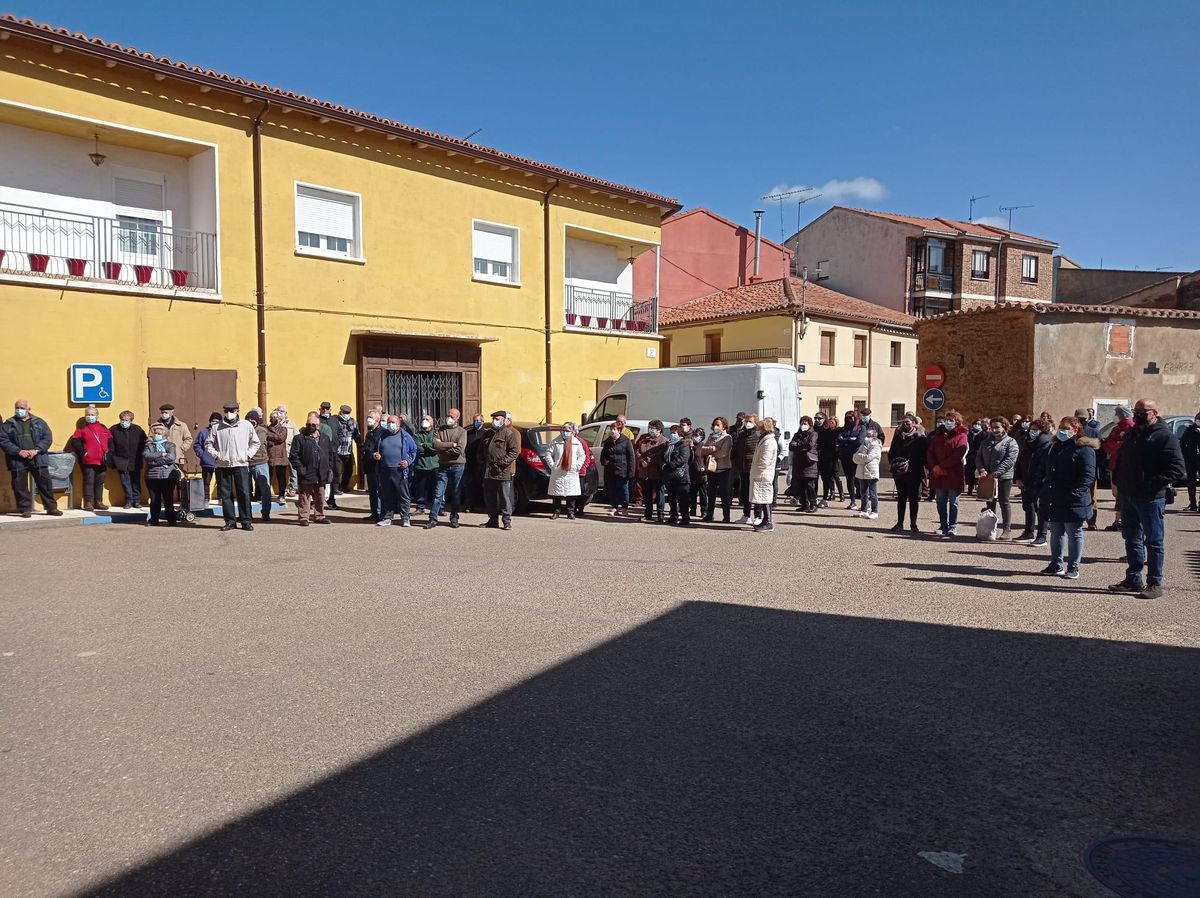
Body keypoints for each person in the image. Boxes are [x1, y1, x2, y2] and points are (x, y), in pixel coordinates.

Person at [1109, 399, 1186, 600]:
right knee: (1131, 537)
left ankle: (1154, 582)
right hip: (1129, 495)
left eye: (1143, 411)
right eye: (1136, 411)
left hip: (1151, 498)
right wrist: (1119, 480)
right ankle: (1134, 578)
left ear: (1154, 412)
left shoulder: (1164, 436)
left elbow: (1177, 469)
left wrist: (1151, 484)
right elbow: (1123, 459)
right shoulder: (1133, 434)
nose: (1138, 414)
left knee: (1153, 541)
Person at [1040, 417, 1098, 580]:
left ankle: (1073, 566)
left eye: (1066, 428)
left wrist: (1074, 495)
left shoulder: (1084, 450)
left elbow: (1087, 476)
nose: (1062, 431)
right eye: (1060, 427)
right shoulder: (1055, 447)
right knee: (1056, 531)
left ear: (1076, 430)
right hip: (1055, 497)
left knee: (1074, 532)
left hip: (1074, 499)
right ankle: (1056, 563)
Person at [205, 401, 261, 532]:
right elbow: (208, 444)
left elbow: (255, 443)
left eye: (233, 410)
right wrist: (217, 455)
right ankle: (230, 521)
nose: (230, 413)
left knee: (244, 493)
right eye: (227, 410)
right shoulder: (217, 427)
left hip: (241, 464)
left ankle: (246, 521)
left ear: (237, 411)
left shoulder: (246, 425)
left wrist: (247, 455)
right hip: (223, 465)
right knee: (226, 494)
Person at [0, 399, 62, 517]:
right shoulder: (8, 423)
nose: (19, 410)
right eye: (17, 408)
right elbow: (3, 440)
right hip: (17, 459)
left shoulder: (39, 422)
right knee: (19, 485)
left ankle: (51, 508)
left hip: (37, 458)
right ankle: (25, 509)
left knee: (45, 484)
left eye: (22, 408)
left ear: (28, 409)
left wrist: (36, 450)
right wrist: (18, 451)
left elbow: (47, 438)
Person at [975, 416, 1020, 540]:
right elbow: (979, 457)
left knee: (1004, 502)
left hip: (1004, 477)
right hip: (988, 477)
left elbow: (1010, 460)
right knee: (990, 502)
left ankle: (1007, 529)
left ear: (1004, 427)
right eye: (993, 427)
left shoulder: (1011, 442)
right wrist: (982, 470)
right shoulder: (986, 441)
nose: (994, 430)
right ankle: (988, 528)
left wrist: (997, 472)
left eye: (997, 427)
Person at [927, 410, 968, 538]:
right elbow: (930, 452)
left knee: (953, 501)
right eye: (947, 420)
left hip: (953, 473)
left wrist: (942, 466)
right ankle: (943, 525)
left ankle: (952, 526)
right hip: (939, 474)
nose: (948, 422)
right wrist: (935, 467)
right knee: (940, 501)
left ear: (957, 422)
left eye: (951, 420)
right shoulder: (938, 435)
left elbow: (958, 454)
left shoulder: (961, 436)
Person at [290, 412, 334, 526]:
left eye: (313, 425)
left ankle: (319, 515)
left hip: (321, 472)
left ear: (318, 426)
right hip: (306, 471)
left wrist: (329, 468)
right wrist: (300, 469)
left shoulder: (324, 438)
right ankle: (304, 517)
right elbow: (293, 456)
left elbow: (330, 454)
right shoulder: (299, 438)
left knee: (320, 495)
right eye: (308, 424)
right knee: (304, 496)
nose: (310, 427)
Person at [1013, 418, 1053, 544]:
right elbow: (1020, 461)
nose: (1032, 432)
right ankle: (1028, 532)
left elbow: (1044, 465)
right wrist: (1018, 477)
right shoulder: (1027, 442)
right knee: (1028, 507)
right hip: (1026, 480)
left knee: (1041, 509)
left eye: (1036, 429)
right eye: (1032, 429)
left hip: (1040, 481)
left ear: (1043, 431)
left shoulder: (1047, 444)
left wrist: (1042, 481)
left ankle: (1042, 536)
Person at [428, 408, 468, 529]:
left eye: (452, 416)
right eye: (448, 415)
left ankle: (454, 517)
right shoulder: (440, 430)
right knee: (438, 493)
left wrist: (443, 448)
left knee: (456, 493)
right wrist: (451, 444)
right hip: (443, 465)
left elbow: (459, 450)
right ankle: (432, 518)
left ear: (457, 418)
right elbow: (435, 445)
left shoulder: (462, 432)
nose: (449, 418)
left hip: (458, 465)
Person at [376, 414, 418, 527]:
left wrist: (408, 462)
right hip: (385, 469)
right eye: (389, 422)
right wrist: (376, 455)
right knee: (387, 494)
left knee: (403, 495)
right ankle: (388, 517)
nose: (390, 425)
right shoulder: (382, 435)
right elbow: (377, 449)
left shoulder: (405, 436)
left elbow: (414, 450)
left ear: (399, 424)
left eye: (393, 422)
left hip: (400, 470)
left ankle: (405, 518)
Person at [888, 413, 927, 532]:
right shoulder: (899, 436)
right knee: (901, 499)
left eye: (908, 423)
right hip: (900, 473)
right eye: (903, 422)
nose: (905, 425)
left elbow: (924, 455)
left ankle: (913, 524)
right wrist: (895, 463)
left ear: (913, 424)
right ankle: (900, 523)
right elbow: (891, 453)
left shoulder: (920, 438)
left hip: (914, 472)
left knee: (913, 499)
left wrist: (916, 464)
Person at [69, 405, 113, 511]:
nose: (90, 416)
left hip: (102, 460)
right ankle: (88, 503)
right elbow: (75, 441)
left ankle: (98, 502)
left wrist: (109, 453)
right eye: (88, 415)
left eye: (92, 414)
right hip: (88, 460)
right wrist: (83, 452)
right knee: (89, 481)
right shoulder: (81, 429)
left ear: (97, 416)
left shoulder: (103, 427)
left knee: (100, 481)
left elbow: (110, 440)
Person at [482, 410, 519, 530]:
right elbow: (481, 450)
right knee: (490, 497)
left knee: (504, 497)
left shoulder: (508, 434)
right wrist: (482, 462)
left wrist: (501, 463)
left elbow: (514, 452)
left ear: (503, 420)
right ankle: (493, 520)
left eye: (497, 419)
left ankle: (506, 521)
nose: (495, 421)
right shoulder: (488, 434)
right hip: (489, 471)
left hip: (502, 471)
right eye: (493, 419)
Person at [1100, 406, 1134, 531]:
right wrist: (1115, 445)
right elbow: (1106, 444)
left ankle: (1121, 520)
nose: (1114, 415)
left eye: (1116, 413)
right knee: (1116, 493)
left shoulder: (1131, 427)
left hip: (1124, 467)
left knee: (1122, 495)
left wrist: (1116, 445)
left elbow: (1124, 446)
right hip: (1114, 465)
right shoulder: (1117, 428)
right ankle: (1119, 519)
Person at [545, 421, 586, 520]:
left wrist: (577, 466)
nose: (565, 432)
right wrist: (552, 465)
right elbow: (548, 454)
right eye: (563, 430)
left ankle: (570, 512)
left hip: (571, 471)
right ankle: (556, 512)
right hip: (558, 471)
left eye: (567, 430)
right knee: (556, 493)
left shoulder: (577, 443)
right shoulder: (555, 442)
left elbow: (582, 455)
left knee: (571, 494)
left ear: (572, 431)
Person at [142, 422, 179, 526]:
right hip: (152, 476)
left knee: (168, 498)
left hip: (167, 476)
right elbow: (146, 456)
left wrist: (154, 462)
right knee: (154, 500)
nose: (156, 435)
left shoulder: (170, 445)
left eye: (158, 433)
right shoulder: (149, 445)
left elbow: (171, 458)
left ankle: (171, 519)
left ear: (164, 434)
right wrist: (162, 454)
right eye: (155, 433)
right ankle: (153, 519)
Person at [109, 410, 147, 509]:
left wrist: (142, 456)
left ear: (131, 420)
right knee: (125, 482)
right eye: (122, 419)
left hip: (135, 460)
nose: (124, 422)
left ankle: (137, 501)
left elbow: (144, 443)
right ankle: (129, 501)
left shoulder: (138, 430)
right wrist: (112, 459)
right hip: (121, 460)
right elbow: (110, 445)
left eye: (126, 420)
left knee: (136, 481)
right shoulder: (114, 429)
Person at [158, 403, 193, 506]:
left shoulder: (181, 425)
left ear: (172, 412)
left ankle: (181, 502)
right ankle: (164, 502)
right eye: (162, 412)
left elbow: (188, 439)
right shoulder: (156, 425)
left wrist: (182, 449)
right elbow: (150, 439)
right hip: (162, 458)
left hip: (177, 458)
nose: (164, 414)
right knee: (163, 481)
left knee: (177, 481)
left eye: (166, 412)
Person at [635, 419, 668, 524]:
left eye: (653, 428)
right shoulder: (643, 440)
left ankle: (660, 514)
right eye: (650, 428)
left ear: (659, 430)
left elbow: (663, 455)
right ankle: (648, 514)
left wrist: (650, 460)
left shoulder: (664, 441)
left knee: (659, 494)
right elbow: (637, 452)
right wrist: (641, 460)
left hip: (658, 472)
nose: (650, 430)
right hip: (645, 472)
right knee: (647, 494)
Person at [700, 416, 733, 523]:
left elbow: (723, 453)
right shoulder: (711, 436)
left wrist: (712, 451)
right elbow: (703, 450)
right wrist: (713, 448)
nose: (715, 427)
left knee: (724, 493)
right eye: (714, 424)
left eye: (718, 425)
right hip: (711, 469)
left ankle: (726, 516)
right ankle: (709, 515)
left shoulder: (727, 437)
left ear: (724, 426)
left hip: (723, 469)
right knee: (711, 492)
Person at [748, 416, 778, 532]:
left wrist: (757, 468)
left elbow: (765, 460)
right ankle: (765, 520)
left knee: (765, 499)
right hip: (760, 474)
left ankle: (768, 522)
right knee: (762, 498)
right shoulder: (764, 440)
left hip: (763, 474)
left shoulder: (769, 442)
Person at [600, 420, 636, 516]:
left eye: (614, 429)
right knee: (612, 490)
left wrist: (631, 472)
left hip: (622, 470)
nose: (612, 431)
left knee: (623, 490)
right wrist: (604, 461)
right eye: (611, 429)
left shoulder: (626, 441)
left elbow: (631, 457)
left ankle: (624, 508)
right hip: (611, 470)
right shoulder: (607, 442)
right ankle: (614, 507)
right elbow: (603, 455)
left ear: (619, 431)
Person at [659, 424, 692, 526]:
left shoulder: (684, 444)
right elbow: (663, 456)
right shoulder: (668, 445)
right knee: (672, 499)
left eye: (674, 433)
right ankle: (673, 516)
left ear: (680, 433)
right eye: (671, 433)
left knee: (683, 500)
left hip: (681, 477)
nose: (672, 435)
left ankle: (685, 518)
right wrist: (663, 465)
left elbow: (683, 459)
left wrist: (670, 465)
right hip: (670, 476)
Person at [732, 413, 762, 523]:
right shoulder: (742, 434)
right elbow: (736, 449)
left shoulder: (758, 436)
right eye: (747, 421)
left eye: (750, 421)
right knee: (745, 492)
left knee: (755, 493)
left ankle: (758, 516)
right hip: (742, 468)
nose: (747, 423)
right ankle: (746, 515)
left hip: (754, 469)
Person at [245, 410, 273, 523]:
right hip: (246, 463)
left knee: (265, 489)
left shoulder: (261, 431)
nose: (251, 422)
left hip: (261, 462)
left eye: (253, 420)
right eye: (248, 420)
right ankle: (247, 514)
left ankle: (265, 513)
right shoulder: (242, 430)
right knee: (245, 491)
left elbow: (255, 443)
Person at [360, 408, 385, 522]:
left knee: (379, 490)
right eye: (368, 417)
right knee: (372, 491)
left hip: (378, 466)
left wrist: (379, 455)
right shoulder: (369, 433)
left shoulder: (382, 432)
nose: (368, 419)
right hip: (369, 465)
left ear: (377, 419)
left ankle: (381, 513)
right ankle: (374, 512)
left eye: (371, 417)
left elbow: (384, 448)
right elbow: (366, 448)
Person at [836, 411, 866, 508]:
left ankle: (864, 503)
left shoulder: (861, 428)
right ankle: (852, 501)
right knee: (850, 479)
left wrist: (846, 440)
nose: (849, 420)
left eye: (851, 417)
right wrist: (850, 439)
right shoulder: (843, 429)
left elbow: (859, 441)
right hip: (846, 457)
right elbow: (839, 440)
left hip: (857, 456)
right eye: (847, 418)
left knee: (860, 479)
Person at [412, 415, 440, 516]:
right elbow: (419, 449)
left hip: (434, 465)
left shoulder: (436, 434)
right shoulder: (417, 435)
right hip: (421, 465)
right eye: (423, 419)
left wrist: (425, 445)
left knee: (436, 488)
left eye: (427, 419)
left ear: (432, 423)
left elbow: (437, 447)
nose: (424, 421)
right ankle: (420, 507)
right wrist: (429, 447)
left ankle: (439, 508)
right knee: (421, 489)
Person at [853, 427, 882, 520]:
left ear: (874, 436)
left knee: (872, 493)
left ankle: (874, 511)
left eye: (869, 435)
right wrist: (862, 459)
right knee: (863, 492)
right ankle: (864, 510)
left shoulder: (876, 445)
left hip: (871, 471)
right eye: (867, 435)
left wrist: (861, 458)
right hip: (861, 470)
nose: (867, 437)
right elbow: (854, 457)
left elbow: (869, 457)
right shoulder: (863, 444)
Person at [334, 405, 361, 495]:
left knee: (349, 470)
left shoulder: (353, 422)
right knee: (337, 470)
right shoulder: (335, 421)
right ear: (341, 412)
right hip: (338, 450)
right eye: (345, 413)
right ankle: (336, 488)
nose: (346, 415)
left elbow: (357, 435)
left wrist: (360, 445)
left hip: (348, 450)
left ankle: (344, 486)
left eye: (348, 413)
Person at [194, 412, 221, 500]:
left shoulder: (223, 432)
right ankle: (205, 499)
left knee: (221, 482)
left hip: (220, 461)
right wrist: (202, 455)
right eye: (213, 421)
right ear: (210, 421)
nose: (215, 423)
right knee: (206, 482)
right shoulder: (203, 432)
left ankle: (221, 499)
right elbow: (197, 445)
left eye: (217, 421)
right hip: (206, 462)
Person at [816, 414, 843, 505]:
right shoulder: (823, 431)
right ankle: (831, 493)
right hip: (824, 457)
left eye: (832, 422)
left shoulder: (838, 431)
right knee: (828, 477)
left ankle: (841, 494)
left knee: (835, 476)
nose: (831, 423)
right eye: (830, 422)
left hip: (834, 457)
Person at [464, 412, 488, 511]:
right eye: (474, 421)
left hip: (481, 463)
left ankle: (482, 505)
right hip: (469, 463)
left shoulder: (485, 433)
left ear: (482, 422)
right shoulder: (469, 433)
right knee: (469, 485)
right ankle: (470, 505)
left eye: (477, 421)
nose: (475, 422)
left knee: (481, 485)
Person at [274, 404, 298, 497]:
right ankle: (282, 490)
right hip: (279, 453)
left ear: (286, 413)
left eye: (282, 411)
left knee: (293, 470)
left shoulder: (291, 424)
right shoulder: (274, 424)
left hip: (290, 451)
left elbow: (297, 436)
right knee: (280, 473)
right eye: (279, 410)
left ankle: (293, 488)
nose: (280, 413)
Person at [266, 410, 290, 502]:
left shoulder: (283, 429)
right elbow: (266, 438)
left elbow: (282, 438)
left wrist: (271, 438)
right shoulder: (267, 428)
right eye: (271, 417)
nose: (272, 419)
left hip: (281, 456)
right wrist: (274, 439)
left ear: (279, 419)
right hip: (270, 455)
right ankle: (265, 494)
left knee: (281, 476)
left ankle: (281, 495)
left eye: (274, 417)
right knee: (268, 476)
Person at [1179, 410, 1200, 511]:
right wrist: (1186, 454)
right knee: (1191, 482)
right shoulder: (1190, 430)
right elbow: (1182, 443)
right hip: (1191, 459)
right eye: (1198, 419)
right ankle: (1192, 504)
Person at [687, 426, 708, 518]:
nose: (695, 437)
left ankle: (704, 511)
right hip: (692, 473)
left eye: (698, 435)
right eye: (694, 435)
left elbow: (707, 459)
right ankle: (692, 510)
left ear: (702, 436)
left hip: (701, 473)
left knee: (703, 494)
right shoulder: (690, 446)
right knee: (692, 493)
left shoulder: (703, 446)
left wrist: (705, 468)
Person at [965, 420, 985, 496]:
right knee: (969, 473)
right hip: (970, 456)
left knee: (979, 474)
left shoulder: (984, 435)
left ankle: (979, 490)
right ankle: (970, 489)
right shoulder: (969, 434)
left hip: (980, 456)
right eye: (975, 424)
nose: (977, 426)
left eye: (979, 424)